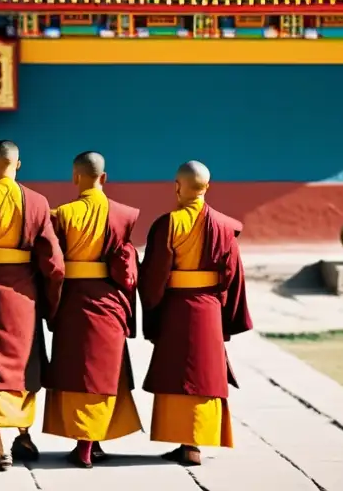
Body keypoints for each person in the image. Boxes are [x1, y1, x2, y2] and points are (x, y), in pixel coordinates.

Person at [139, 160, 253, 466]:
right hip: (208, 308)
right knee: (203, 373)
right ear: (207, 187)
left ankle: (183, 441)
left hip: (177, 305)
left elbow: (153, 276)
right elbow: (232, 276)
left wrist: (152, 307)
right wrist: (223, 313)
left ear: (177, 187)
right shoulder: (225, 227)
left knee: (177, 373)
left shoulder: (168, 224)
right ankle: (195, 443)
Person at [0, 140, 64, 470]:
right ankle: (23, 434)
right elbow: (53, 261)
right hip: (25, 293)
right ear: (18, 165)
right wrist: (53, 300)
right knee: (25, 362)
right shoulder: (37, 201)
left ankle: (0, 447)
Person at [43, 151, 142, 469]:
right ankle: (93, 439)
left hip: (73, 300)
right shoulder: (124, 214)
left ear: (75, 177)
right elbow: (126, 263)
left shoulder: (61, 215)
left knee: (77, 369)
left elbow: (53, 265)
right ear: (104, 177)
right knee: (105, 368)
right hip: (108, 301)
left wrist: (48, 302)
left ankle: (84, 442)